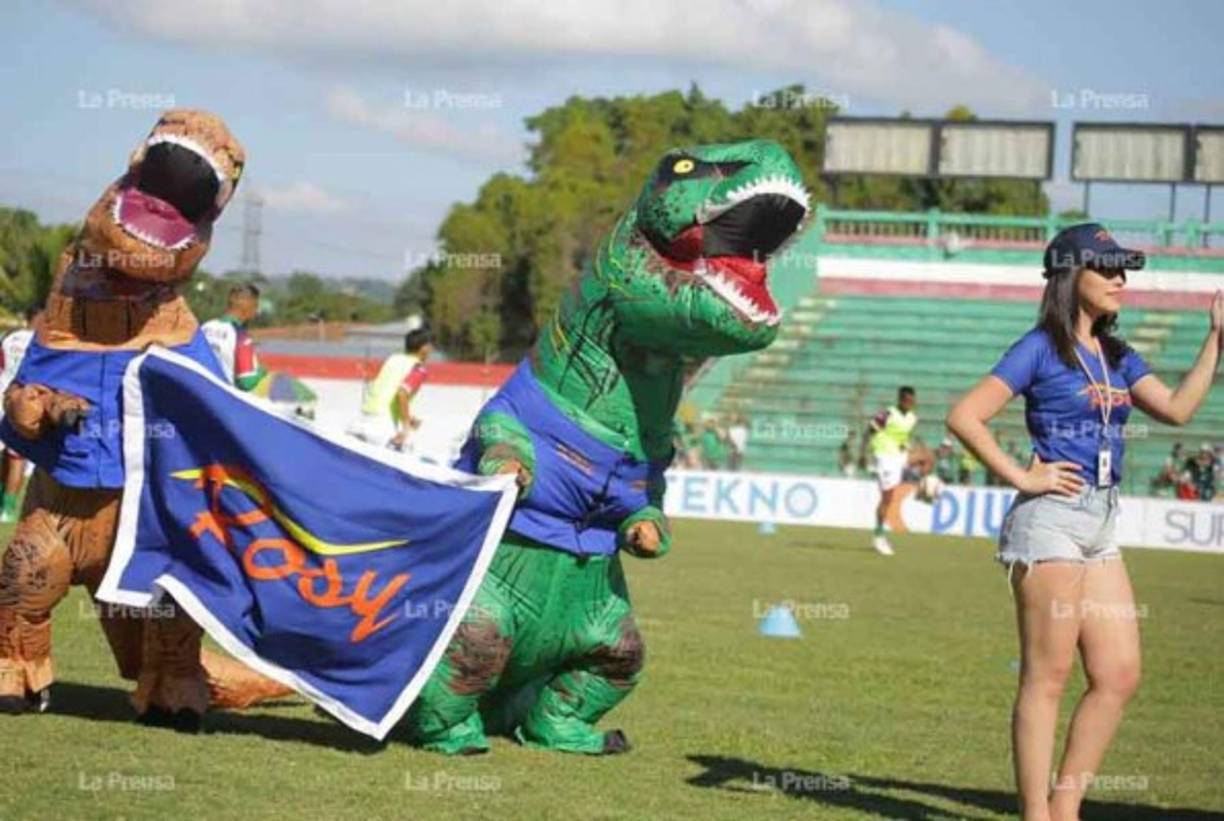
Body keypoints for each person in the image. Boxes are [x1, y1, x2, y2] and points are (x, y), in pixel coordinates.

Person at [947, 223, 1221, 821]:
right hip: (1050, 521)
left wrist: (1216, 342)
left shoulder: (1117, 354)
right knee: (1048, 675)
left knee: (1119, 674)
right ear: (1073, 276)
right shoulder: (1039, 346)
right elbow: (965, 415)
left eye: (1125, 270)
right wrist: (1023, 479)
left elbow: (1177, 409)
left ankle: (1066, 803)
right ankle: (1037, 816)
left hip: (1100, 519)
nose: (1122, 280)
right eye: (1109, 269)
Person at [347, 316, 431, 452]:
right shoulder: (418, 368)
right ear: (424, 348)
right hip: (381, 424)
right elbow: (401, 394)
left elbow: (386, 391)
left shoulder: (393, 358)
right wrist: (405, 429)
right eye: (429, 345)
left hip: (363, 418)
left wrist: (408, 417)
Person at [859, 386, 917, 556]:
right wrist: (862, 454)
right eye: (906, 400)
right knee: (887, 497)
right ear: (899, 399)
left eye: (912, 400)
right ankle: (878, 536)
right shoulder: (887, 414)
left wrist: (905, 447)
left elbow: (902, 438)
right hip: (884, 456)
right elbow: (868, 432)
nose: (909, 403)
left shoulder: (912, 418)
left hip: (898, 456)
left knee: (925, 457)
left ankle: (928, 490)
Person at [0, 308, 36, 523]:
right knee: (17, 456)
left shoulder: (10, 336)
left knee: (6, 454)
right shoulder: (40, 343)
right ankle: (8, 508)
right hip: (23, 400)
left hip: (2, 393)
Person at [201, 284, 267, 391]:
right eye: (256, 307)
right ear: (249, 307)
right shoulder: (241, 336)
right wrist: (261, 372)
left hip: (201, 393)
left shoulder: (205, 327)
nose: (256, 312)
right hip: (223, 398)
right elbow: (246, 382)